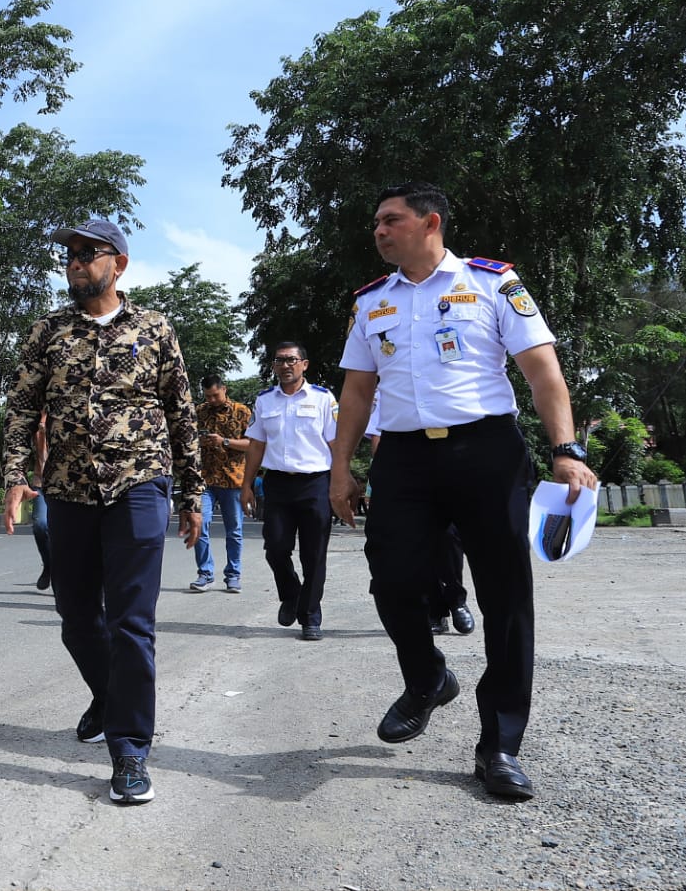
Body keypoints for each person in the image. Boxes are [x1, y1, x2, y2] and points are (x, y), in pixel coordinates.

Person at [329, 181, 597, 801]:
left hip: (487, 452)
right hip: (402, 458)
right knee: (391, 577)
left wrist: (565, 450)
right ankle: (426, 678)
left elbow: (542, 370)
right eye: (376, 221)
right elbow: (356, 394)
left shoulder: (491, 282)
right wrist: (341, 468)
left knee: (505, 597)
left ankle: (499, 746)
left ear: (430, 223)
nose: (378, 230)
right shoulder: (371, 302)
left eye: (390, 219)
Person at [1, 219, 203, 806]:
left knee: (132, 622)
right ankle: (110, 695)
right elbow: (21, 410)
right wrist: (15, 476)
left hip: (140, 484)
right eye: (70, 255)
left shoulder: (155, 328)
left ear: (120, 264)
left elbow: (182, 414)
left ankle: (130, 749)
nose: (76, 264)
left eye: (89, 254)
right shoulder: (48, 332)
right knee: (76, 617)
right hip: (67, 488)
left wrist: (191, 495)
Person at [240, 342, 339, 642]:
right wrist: (246, 485)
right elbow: (256, 444)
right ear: (273, 366)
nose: (286, 366)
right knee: (276, 547)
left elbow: (336, 444)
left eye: (292, 360)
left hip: (316, 484)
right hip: (278, 484)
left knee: (314, 554)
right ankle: (291, 593)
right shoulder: (265, 401)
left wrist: (341, 483)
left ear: (304, 365)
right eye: (280, 361)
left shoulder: (323, 398)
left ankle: (310, 617)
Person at [365, 396, 475, 636]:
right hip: (405, 473)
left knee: (449, 540)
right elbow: (377, 437)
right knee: (418, 547)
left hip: (451, 465)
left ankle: (457, 600)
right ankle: (435, 611)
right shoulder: (387, 392)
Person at [192, 374, 252, 593]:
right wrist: (200, 441)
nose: (212, 400)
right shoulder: (199, 412)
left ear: (224, 389)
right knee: (199, 525)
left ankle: (233, 575)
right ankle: (205, 574)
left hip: (233, 479)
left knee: (234, 530)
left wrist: (224, 441)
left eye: (215, 395)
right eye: (208, 396)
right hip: (205, 479)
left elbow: (252, 444)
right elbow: (187, 440)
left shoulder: (242, 411)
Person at [28, 414, 52, 591]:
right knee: (40, 525)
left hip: (68, 486)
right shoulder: (32, 421)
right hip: (41, 483)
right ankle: (49, 565)